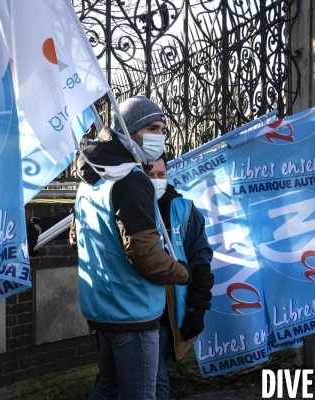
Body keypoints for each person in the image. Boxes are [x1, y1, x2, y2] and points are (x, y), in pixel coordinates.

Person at [76, 95, 192, 400]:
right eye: (152, 127)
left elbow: (78, 236)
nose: (159, 136)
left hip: (104, 308)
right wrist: (181, 273)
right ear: (128, 131)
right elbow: (144, 255)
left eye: (162, 128)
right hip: (133, 313)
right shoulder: (130, 178)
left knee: (108, 389)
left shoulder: (92, 177)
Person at [148, 154, 214, 400]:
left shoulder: (185, 210)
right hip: (133, 311)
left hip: (166, 315)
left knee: (157, 380)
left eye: (161, 175)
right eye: (150, 175)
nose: (156, 180)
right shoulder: (130, 206)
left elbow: (201, 264)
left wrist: (197, 310)